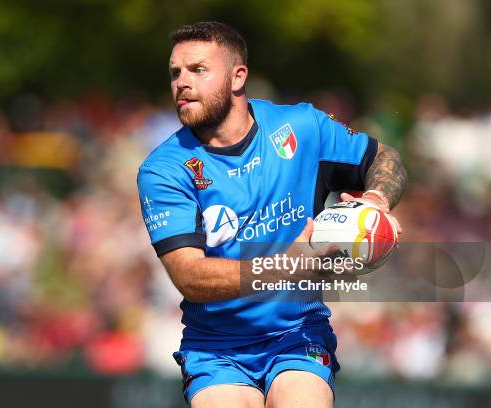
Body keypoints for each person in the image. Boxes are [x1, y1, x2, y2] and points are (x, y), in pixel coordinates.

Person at [136, 21, 407, 408]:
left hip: (299, 332)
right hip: (217, 349)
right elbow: (190, 277)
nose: (181, 82)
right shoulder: (163, 169)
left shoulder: (301, 126)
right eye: (175, 73)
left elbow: (384, 158)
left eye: (197, 70)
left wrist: (377, 198)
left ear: (237, 76)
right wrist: (287, 266)